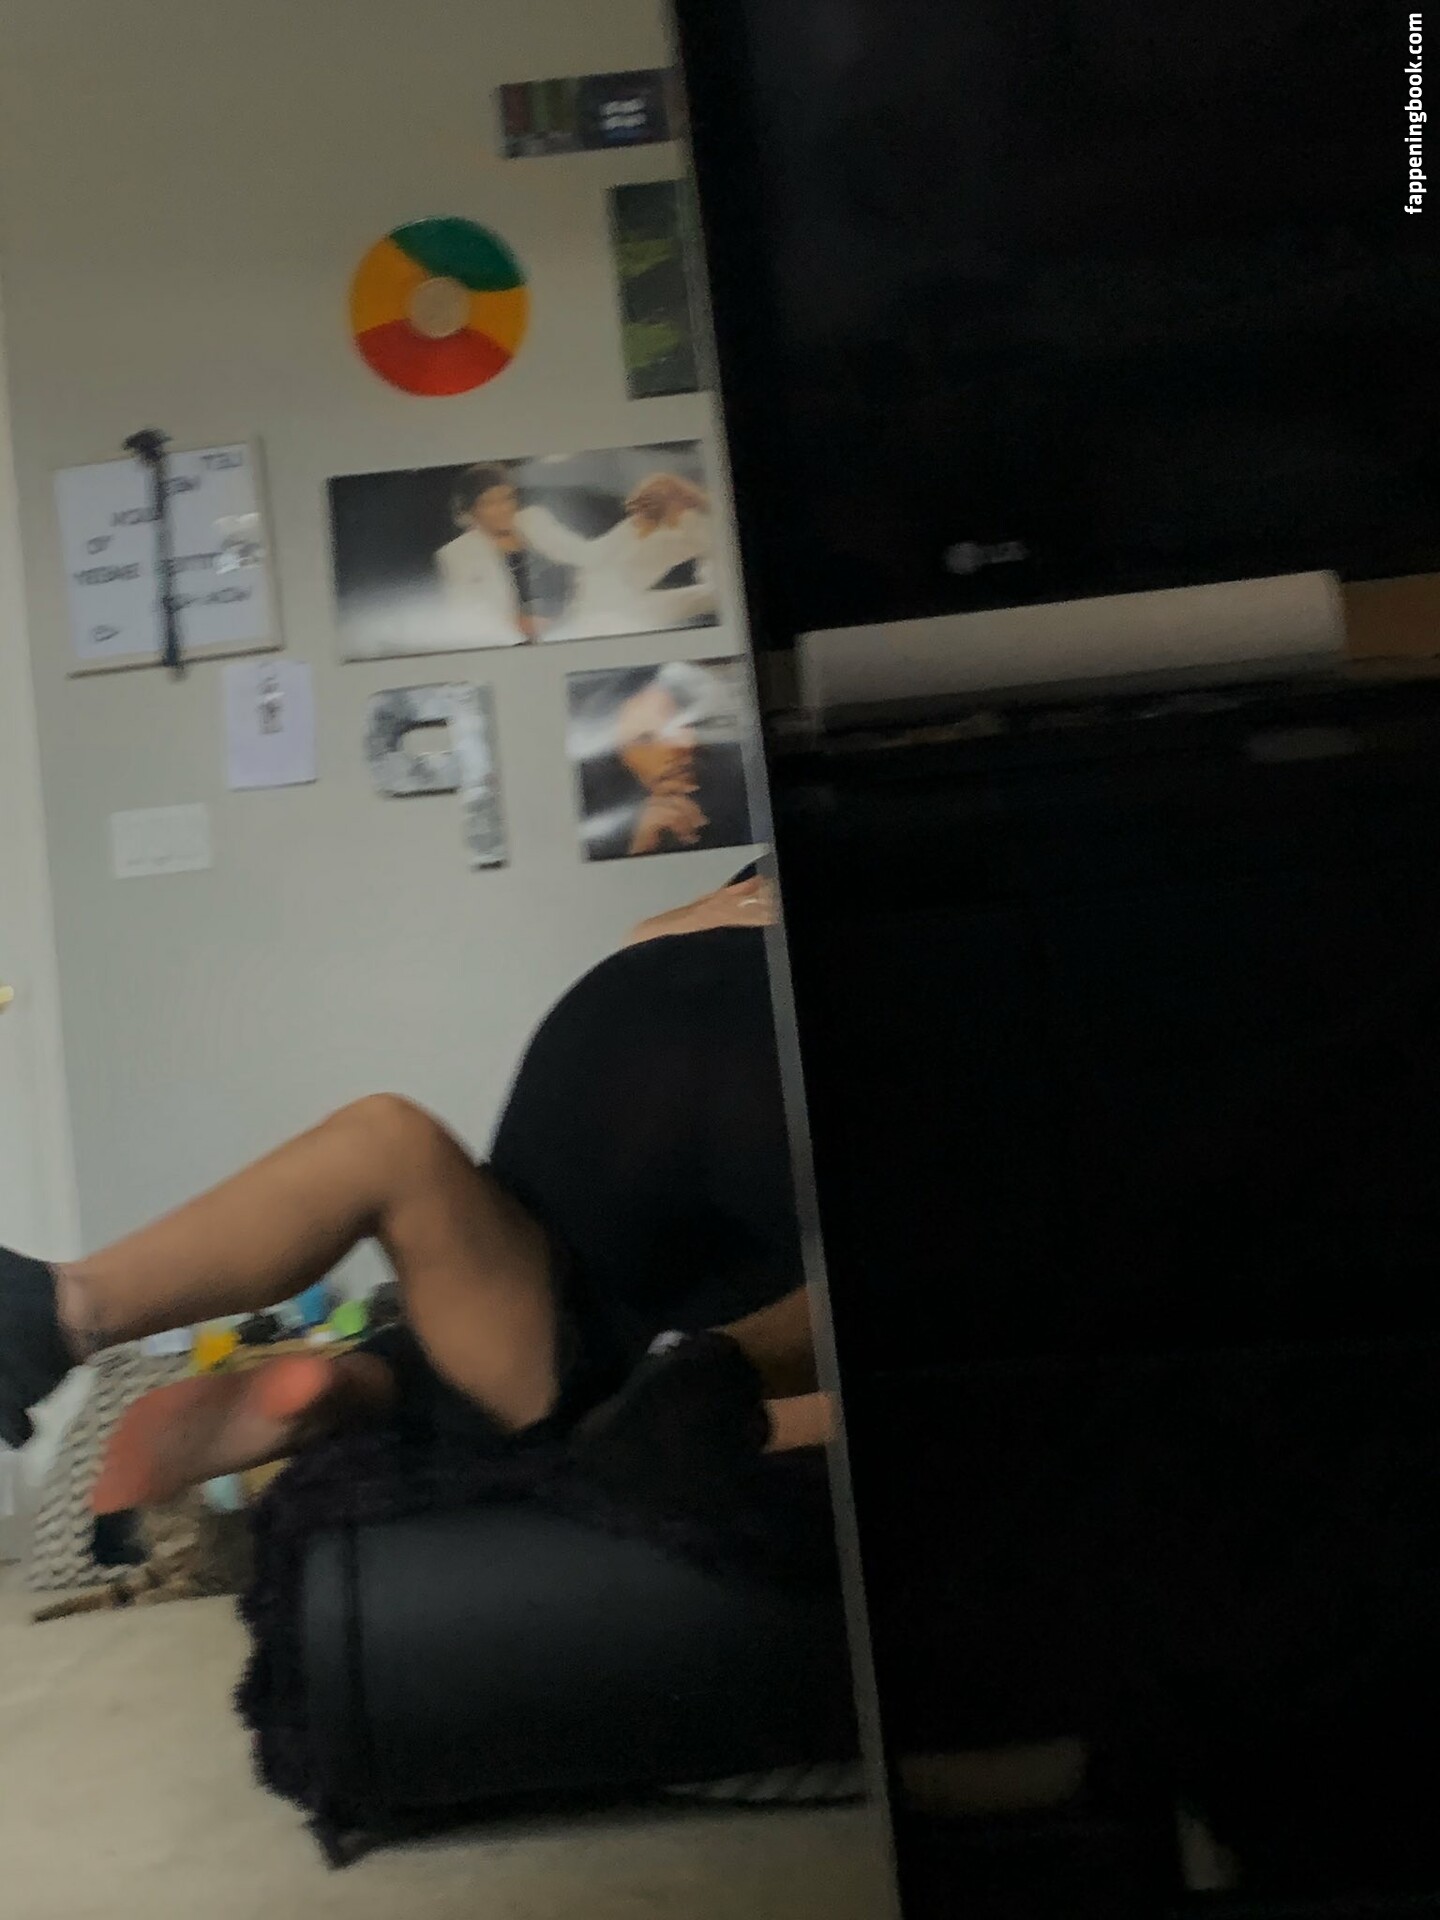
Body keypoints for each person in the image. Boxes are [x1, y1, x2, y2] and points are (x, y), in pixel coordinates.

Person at [0, 875, 833, 1519]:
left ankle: (87, 1317)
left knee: (387, 1146)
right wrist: (671, 933)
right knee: (389, 1146)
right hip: (569, 1264)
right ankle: (357, 1382)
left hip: (599, 1322)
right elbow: (657, 936)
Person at [580, 662, 756, 861]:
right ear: (617, 755)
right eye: (645, 739)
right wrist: (641, 848)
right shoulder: (593, 814)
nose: (683, 745)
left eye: (684, 725)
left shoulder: (737, 779)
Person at [524, 469, 718, 640]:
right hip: (602, 606)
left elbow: (586, 555)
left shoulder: (686, 529)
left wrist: (533, 522)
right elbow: (588, 555)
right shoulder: (637, 527)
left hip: (605, 609)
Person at [434, 463, 570, 646]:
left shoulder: (535, 523)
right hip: (512, 644)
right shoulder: (457, 554)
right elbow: (465, 615)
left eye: (507, 498)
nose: (503, 509)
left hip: (569, 629)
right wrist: (517, 626)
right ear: (471, 509)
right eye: (490, 503)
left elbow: (581, 558)